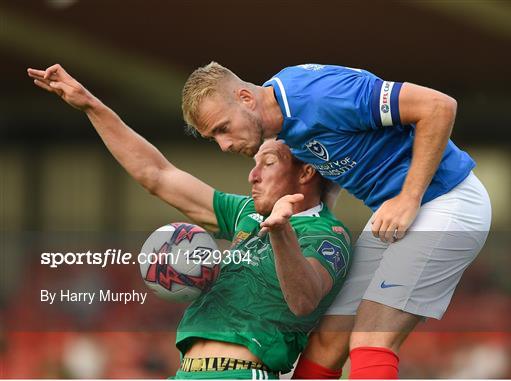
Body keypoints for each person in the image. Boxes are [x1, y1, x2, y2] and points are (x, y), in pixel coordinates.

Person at [27, 64, 353, 379]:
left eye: (267, 163)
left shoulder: (327, 234)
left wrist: (282, 232)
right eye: (254, 164)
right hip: (185, 373)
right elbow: (157, 175)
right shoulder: (244, 213)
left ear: (307, 171)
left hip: (241, 375)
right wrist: (91, 106)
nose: (252, 175)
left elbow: (304, 300)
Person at [180, 62, 492, 379]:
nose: (224, 144)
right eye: (213, 138)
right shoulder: (282, 116)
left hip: (446, 201)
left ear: (246, 98)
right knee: (326, 344)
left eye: (222, 128)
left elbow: (439, 106)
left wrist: (409, 197)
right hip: (394, 211)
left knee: (371, 337)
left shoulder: (321, 95)